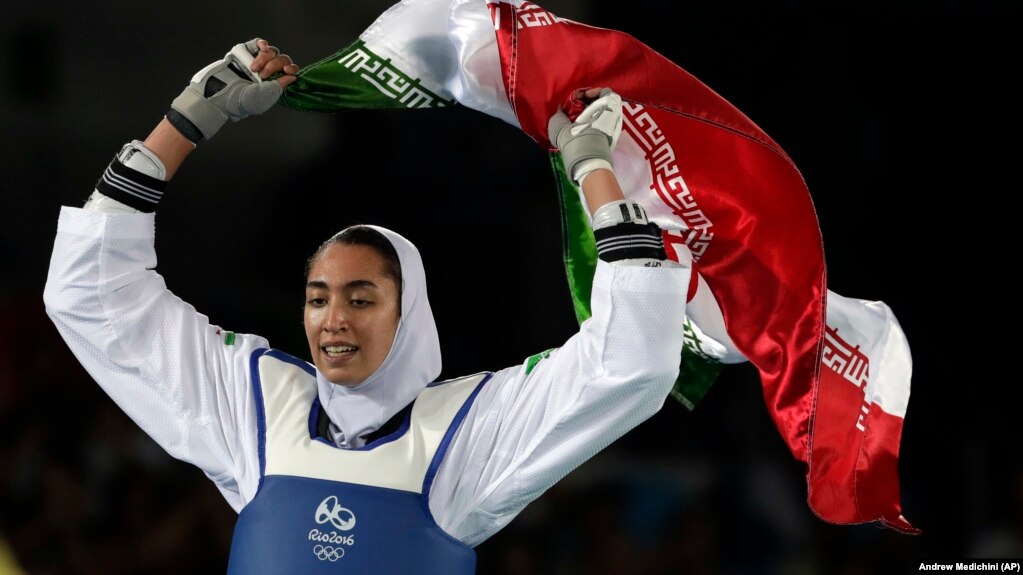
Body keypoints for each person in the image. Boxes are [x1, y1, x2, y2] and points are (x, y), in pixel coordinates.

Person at [43, 38, 693, 573]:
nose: (334, 319)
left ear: (407, 314)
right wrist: (183, 123)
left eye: (362, 298)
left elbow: (631, 360)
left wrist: (592, 172)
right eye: (318, 297)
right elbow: (92, 297)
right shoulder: (258, 408)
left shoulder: (463, 436)